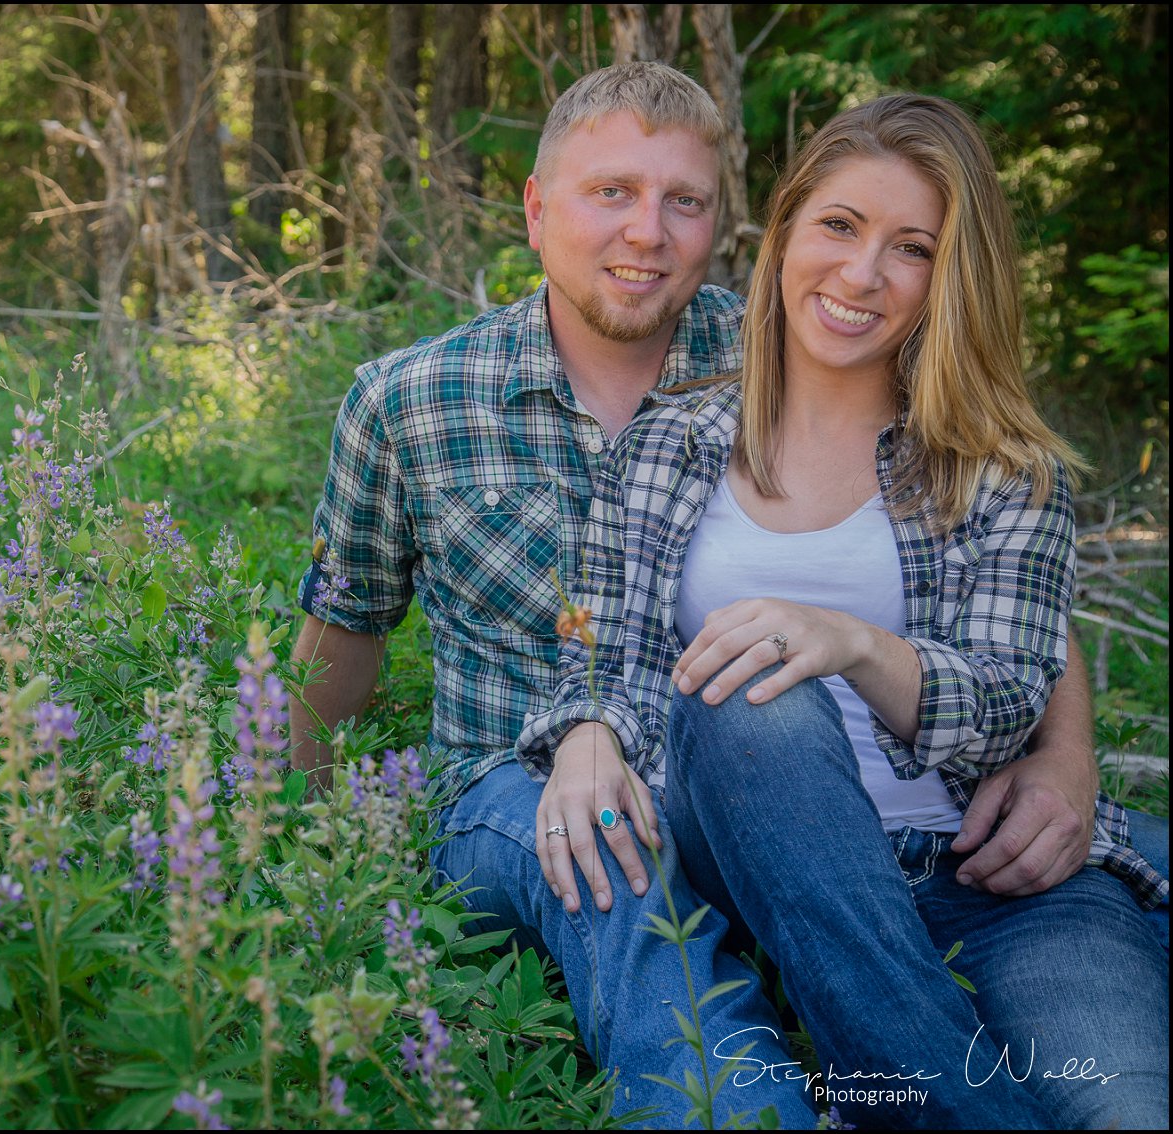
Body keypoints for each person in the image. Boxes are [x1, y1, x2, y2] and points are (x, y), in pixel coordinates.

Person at [292, 61, 1134, 1127]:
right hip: (515, 783)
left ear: (727, 226)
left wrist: (1063, 756)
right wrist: (301, 845)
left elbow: (1005, 567)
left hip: (774, 796)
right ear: (535, 207)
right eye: (610, 193)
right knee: (613, 858)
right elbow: (346, 626)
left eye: (681, 201)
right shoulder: (409, 398)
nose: (646, 232)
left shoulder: (791, 338)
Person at [520, 93, 1168, 1129]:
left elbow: (1010, 698)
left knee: (1123, 1111)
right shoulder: (667, 441)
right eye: (837, 226)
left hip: (988, 877)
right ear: (782, 234)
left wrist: (857, 647)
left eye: (909, 249)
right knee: (747, 698)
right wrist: (587, 727)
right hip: (766, 863)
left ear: (946, 280)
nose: (861, 275)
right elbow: (606, 647)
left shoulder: (1001, 474)